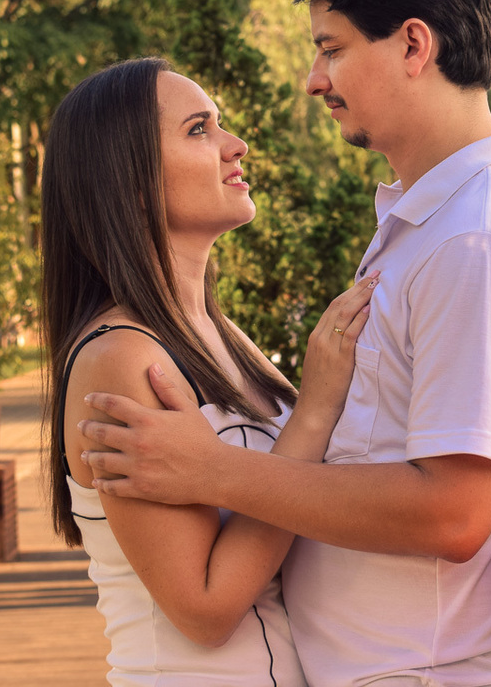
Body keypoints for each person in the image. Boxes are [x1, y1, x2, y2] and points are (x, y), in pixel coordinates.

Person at [78, 0, 491, 687]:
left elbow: (453, 514)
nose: (314, 78)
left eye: (331, 49)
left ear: (414, 45)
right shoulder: (426, 225)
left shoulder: (477, 243)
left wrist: (211, 471)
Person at [42, 56, 378, 685]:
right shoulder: (121, 357)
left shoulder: (222, 338)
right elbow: (203, 608)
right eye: (199, 129)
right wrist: (315, 406)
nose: (235, 146)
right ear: (130, 179)